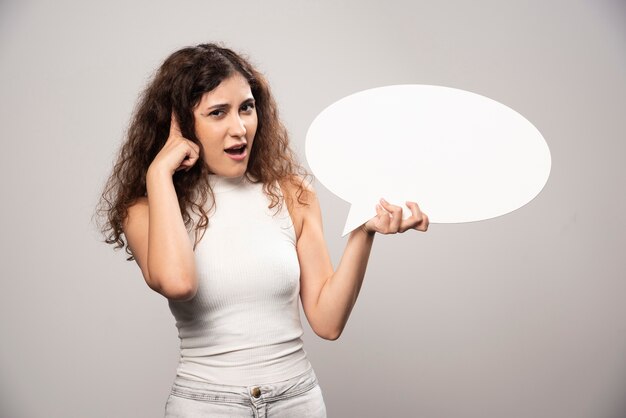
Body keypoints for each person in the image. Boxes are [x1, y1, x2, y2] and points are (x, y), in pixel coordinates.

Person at [95, 43, 429, 417]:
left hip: (297, 401)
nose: (239, 129)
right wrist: (159, 173)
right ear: (182, 126)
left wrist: (363, 231)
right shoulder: (146, 209)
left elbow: (327, 321)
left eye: (246, 108)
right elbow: (178, 283)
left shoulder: (291, 193)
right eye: (217, 113)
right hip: (207, 407)